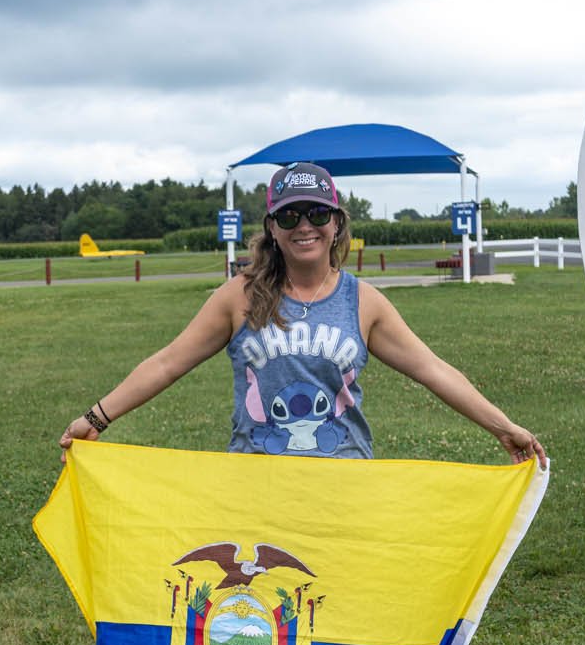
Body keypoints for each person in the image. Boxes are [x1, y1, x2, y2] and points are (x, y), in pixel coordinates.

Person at [58, 162, 544, 464]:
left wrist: (505, 427)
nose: (304, 226)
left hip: (345, 481)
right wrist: (96, 418)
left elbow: (433, 371)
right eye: (289, 216)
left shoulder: (363, 302)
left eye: (317, 213)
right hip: (256, 480)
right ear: (272, 227)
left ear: (337, 224)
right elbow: (167, 362)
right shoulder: (239, 297)